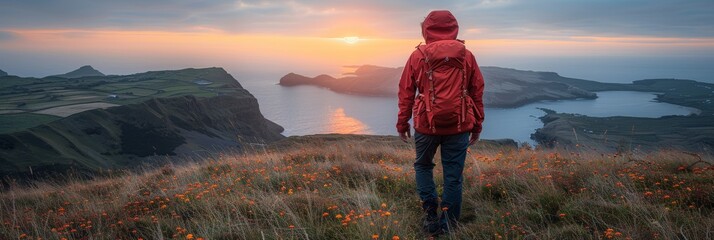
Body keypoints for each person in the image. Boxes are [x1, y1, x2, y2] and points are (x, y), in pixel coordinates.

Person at [396, 10, 485, 235]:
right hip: (460, 124)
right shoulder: (467, 55)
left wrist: (402, 123)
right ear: (454, 28)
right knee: (453, 176)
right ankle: (448, 226)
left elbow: (406, 91)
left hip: (426, 125)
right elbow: (477, 91)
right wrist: (477, 124)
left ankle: (429, 213)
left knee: (423, 166)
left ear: (426, 29)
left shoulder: (417, 56)